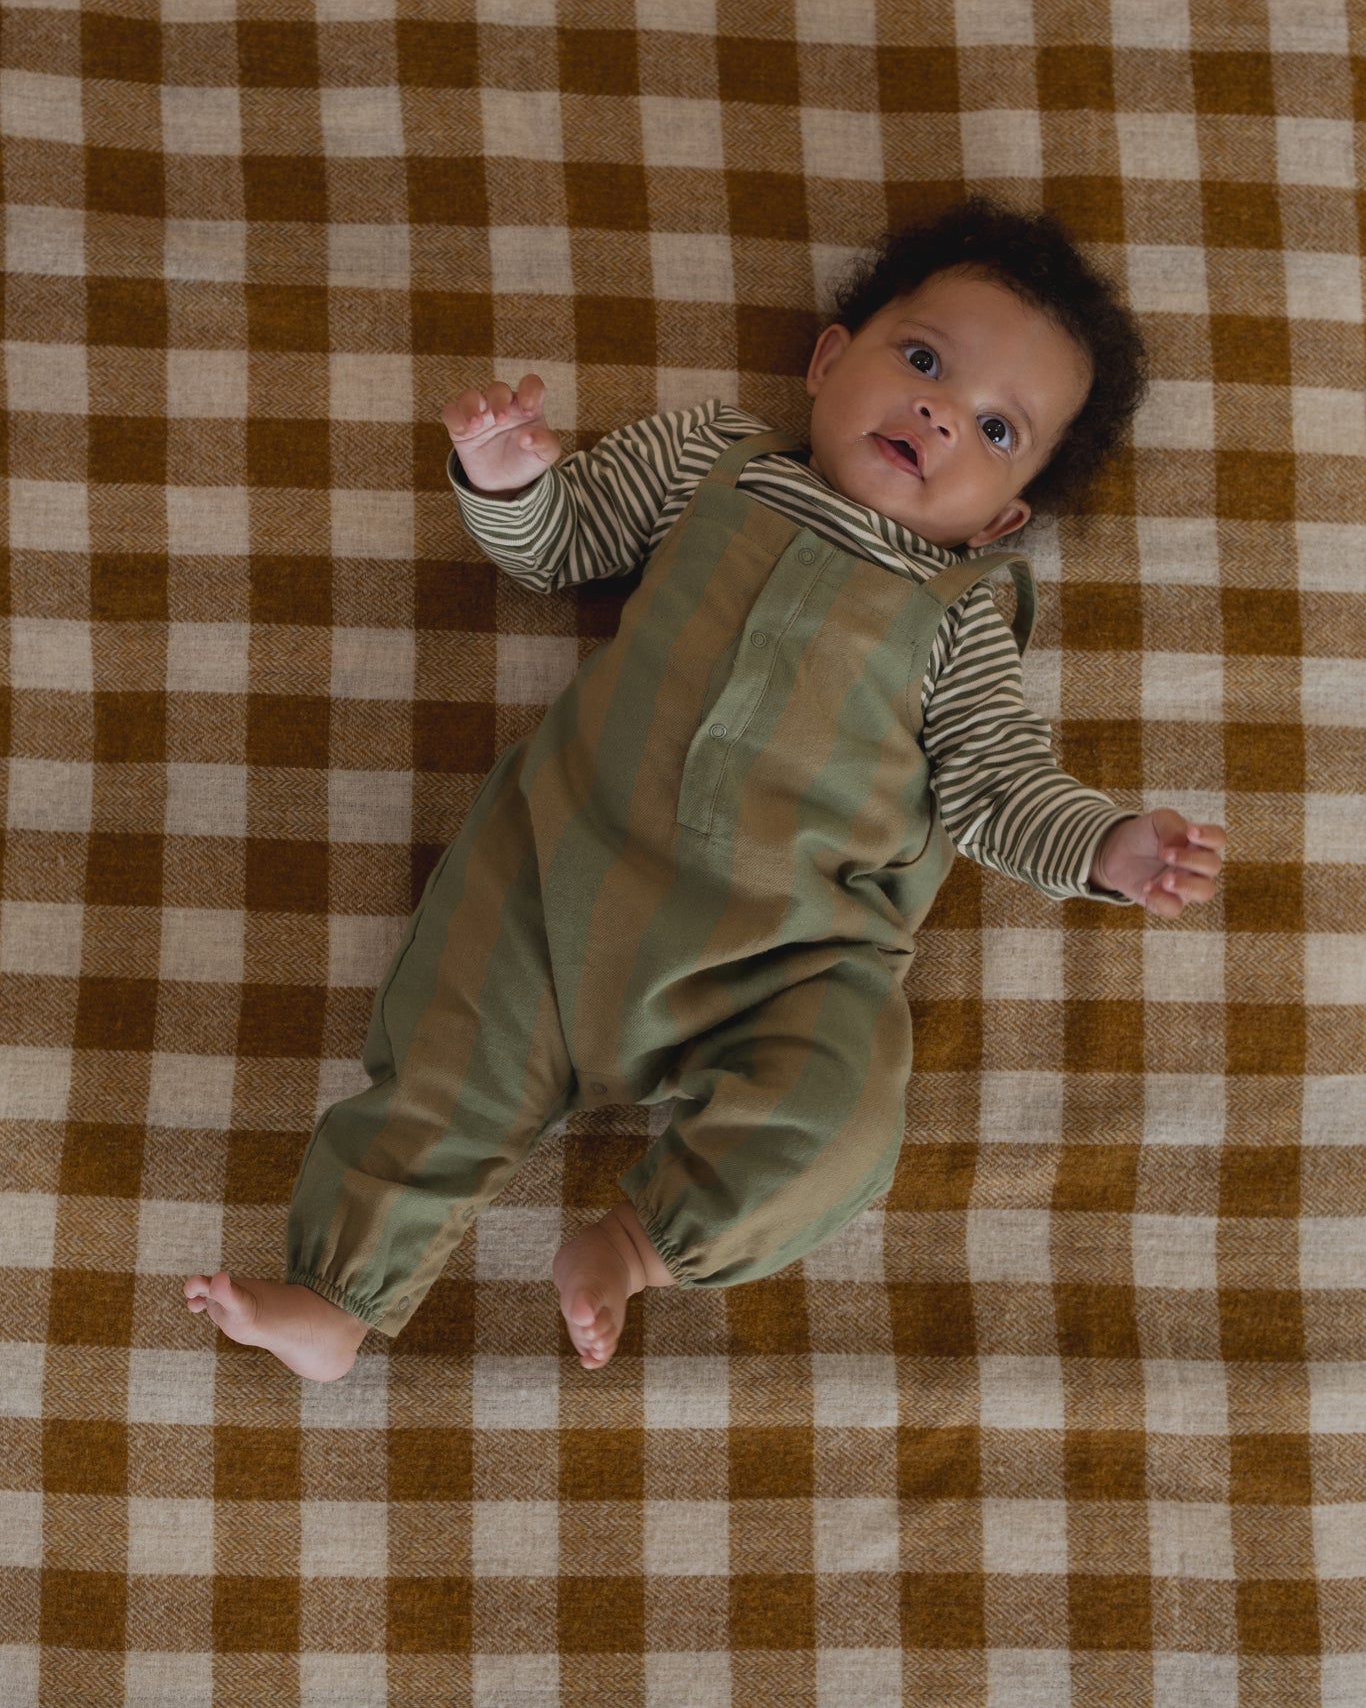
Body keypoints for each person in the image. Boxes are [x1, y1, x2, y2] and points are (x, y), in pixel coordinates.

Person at [185, 198, 1225, 1380]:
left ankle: (638, 1244)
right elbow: (563, 545)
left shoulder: (958, 616)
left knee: (843, 1106)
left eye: (995, 427)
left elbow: (997, 784)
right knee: (440, 1068)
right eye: (923, 361)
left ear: (1003, 516)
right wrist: (509, 479)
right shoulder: (712, 461)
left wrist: (1106, 845)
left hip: (781, 961)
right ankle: (337, 1296)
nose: (939, 412)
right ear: (829, 360)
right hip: (556, 882)